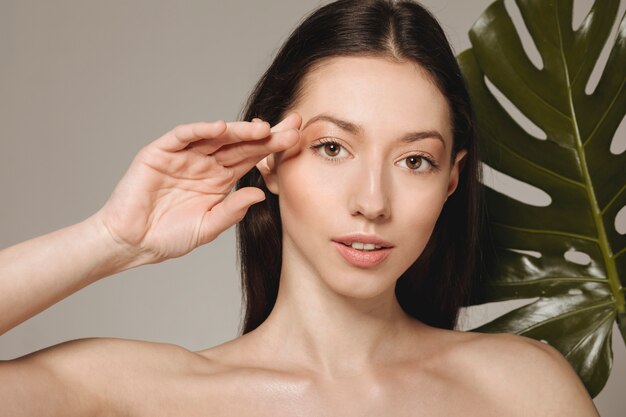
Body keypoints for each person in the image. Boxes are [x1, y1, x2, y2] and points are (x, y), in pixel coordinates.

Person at [0, 0, 600, 415]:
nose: (372, 202)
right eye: (333, 148)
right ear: (269, 158)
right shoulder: (140, 394)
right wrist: (112, 239)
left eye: (414, 160)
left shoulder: (526, 391)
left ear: (451, 180)